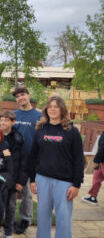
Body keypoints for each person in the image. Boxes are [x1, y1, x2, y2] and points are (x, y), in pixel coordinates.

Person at [29, 96, 84, 238]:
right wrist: (32, 179)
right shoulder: (40, 129)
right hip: (42, 179)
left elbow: (79, 159)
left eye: (56, 106)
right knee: (42, 217)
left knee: (63, 219)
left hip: (64, 182)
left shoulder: (72, 131)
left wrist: (76, 184)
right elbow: (33, 156)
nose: (52, 109)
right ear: (46, 109)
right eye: (50, 106)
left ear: (62, 109)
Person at [12, 86, 42, 234]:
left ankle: (25, 219)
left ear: (29, 95)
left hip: (31, 160)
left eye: (23, 95)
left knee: (27, 193)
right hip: (15, 160)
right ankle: (10, 219)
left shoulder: (38, 116)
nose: (20, 98)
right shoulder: (14, 115)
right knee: (11, 191)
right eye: (17, 96)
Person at [0, 110, 28, 238]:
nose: (3, 122)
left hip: (12, 178)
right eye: (2, 120)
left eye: (6, 120)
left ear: (13, 122)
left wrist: (21, 181)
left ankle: (8, 232)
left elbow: (23, 162)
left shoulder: (18, 139)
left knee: (11, 207)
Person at [82, 134, 104, 205]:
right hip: (101, 161)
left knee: (96, 178)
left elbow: (102, 148)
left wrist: (96, 160)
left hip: (100, 160)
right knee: (96, 179)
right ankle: (93, 197)